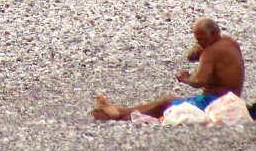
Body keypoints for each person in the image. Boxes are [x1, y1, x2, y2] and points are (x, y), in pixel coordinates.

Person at [91, 18, 244, 121]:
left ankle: (117, 115)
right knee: (166, 101)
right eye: (197, 40)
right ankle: (119, 111)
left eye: (202, 39)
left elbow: (200, 81)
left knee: (164, 105)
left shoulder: (212, 51)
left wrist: (185, 79)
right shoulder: (228, 42)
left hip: (214, 102)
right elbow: (191, 57)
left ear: (213, 34)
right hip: (228, 98)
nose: (200, 43)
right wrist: (198, 49)